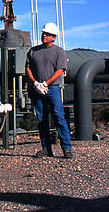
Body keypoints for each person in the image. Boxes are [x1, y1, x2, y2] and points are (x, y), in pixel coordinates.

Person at [25, 22, 73, 159]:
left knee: (59, 117)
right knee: (42, 120)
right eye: (44, 33)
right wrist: (35, 83)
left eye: (48, 34)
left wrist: (45, 84)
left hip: (52, 89)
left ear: (54, 37)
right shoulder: (33, 51)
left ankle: (66, 148)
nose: (44, 36)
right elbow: (27, 68)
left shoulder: (59, 52)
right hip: (37, 89)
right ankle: (46, 149)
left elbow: (60, 71)